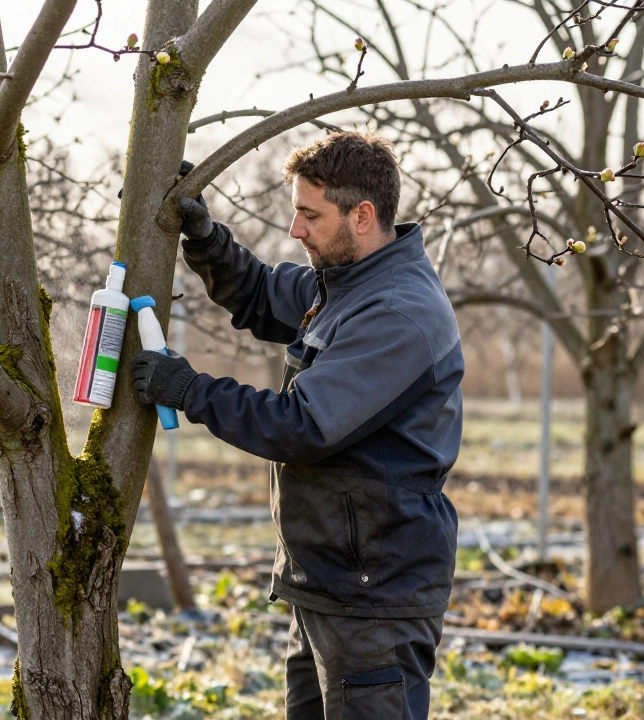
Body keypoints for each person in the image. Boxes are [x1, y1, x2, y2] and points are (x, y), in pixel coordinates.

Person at [131, 130, 463, 720]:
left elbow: (301, 426)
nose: (296, 230)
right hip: (328, 584)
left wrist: (188, 389)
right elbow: (260, 294)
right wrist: (206, 239)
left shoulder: (397, 313)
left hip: (373, 600)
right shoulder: (343, 285)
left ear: (362, 215)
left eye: (310, 214)